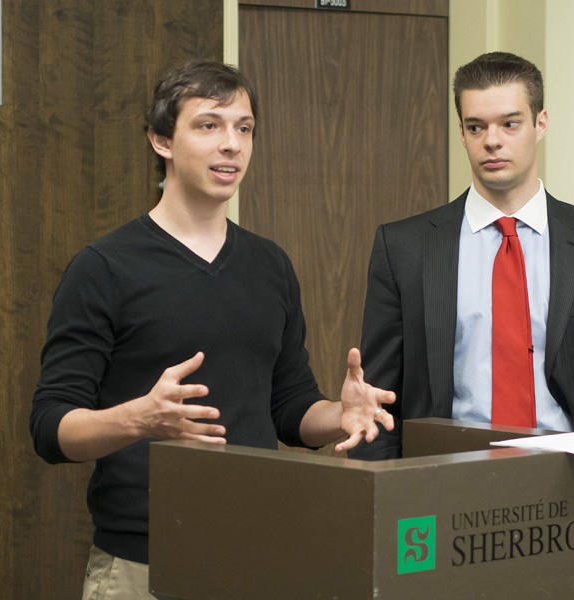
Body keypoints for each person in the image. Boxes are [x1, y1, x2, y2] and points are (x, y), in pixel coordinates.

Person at [29, 59, 395, 599]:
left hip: (256, 552)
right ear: (161, 140)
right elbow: (50, 427)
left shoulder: (270, 265)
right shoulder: (104, 267)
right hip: (142, 563)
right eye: (209, 125)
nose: (232, 144)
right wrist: (138, 420)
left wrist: (339, 416)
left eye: (243, 128)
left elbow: (290, 410)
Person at [349, 52, 574, 460]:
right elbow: (378, 407)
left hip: (573, 486)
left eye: (510, 123)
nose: (492, 140)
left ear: (540, 123)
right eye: (476, 126)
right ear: (461, 132)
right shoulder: (404, 248)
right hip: (444, 479)